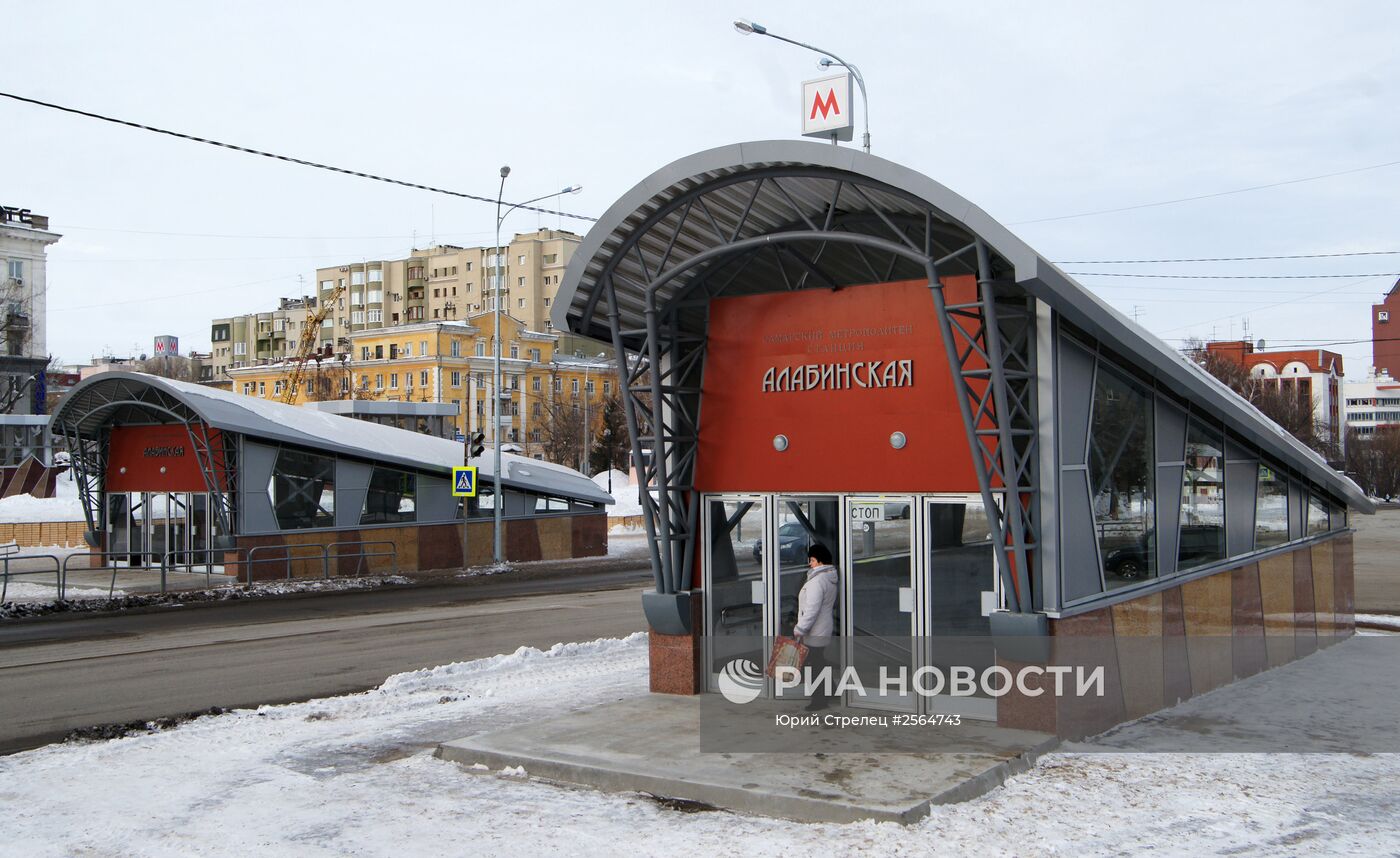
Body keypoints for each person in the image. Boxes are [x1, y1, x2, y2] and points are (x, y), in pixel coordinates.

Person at [793, 542, 839, 711]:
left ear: (820, 561)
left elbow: (811, 610)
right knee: (818, 660)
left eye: (812, 560)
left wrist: (800, 628)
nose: (810, 563)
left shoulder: (817, 581)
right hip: (823, 627)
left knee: (813, 665)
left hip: (814, 630)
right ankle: (831, 690)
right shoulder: (829, 577)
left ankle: (819, 700)